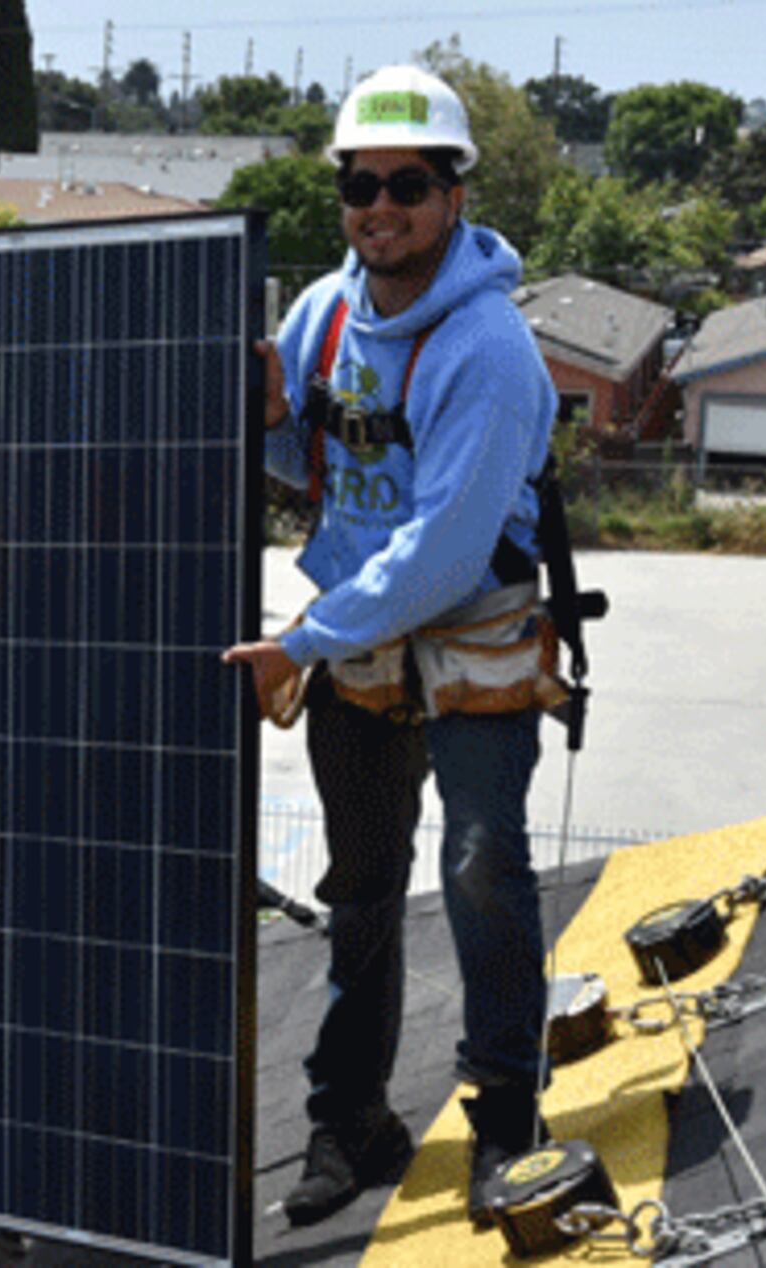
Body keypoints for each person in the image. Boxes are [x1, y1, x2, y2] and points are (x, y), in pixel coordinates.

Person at [221, 65, 561, 1228]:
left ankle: (506, 1118)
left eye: (407, 183)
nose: (380, 206)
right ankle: (350, 1122)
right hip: (359, 637)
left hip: (464, 629)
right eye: (360, 184)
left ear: (455, 194)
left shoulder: (487, 345)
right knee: (361, 890)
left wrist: (298, 639)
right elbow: (312, 481)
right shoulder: (321, 317)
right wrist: (273, 425)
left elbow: (444, 546)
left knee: (478, 866)